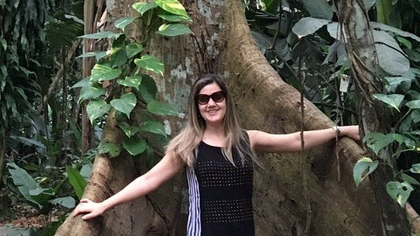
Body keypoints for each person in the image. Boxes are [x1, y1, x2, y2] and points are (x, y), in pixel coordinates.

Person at [71, 73, 361, 236]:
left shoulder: (248, 139)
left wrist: (340, 130)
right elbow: (149, 179)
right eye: (203, 99)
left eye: (217, 97)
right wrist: (104, 205)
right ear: (197, 106)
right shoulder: (187, 147)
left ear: (226, 101)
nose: (211, 103)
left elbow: (296, 140)